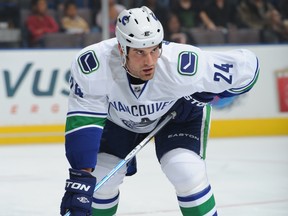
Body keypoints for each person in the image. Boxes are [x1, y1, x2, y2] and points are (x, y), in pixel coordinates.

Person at [60, 6, 260, 216]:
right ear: (121, 48)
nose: (150, 61)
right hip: (118, 122)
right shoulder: (93, 64)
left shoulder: (181, 63)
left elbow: (248, 67)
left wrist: (204, 96)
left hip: (177, 117)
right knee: (102, 181)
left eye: (154, 49)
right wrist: (81, 179)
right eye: (139, 52)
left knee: (186, 173)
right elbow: (83, 121)